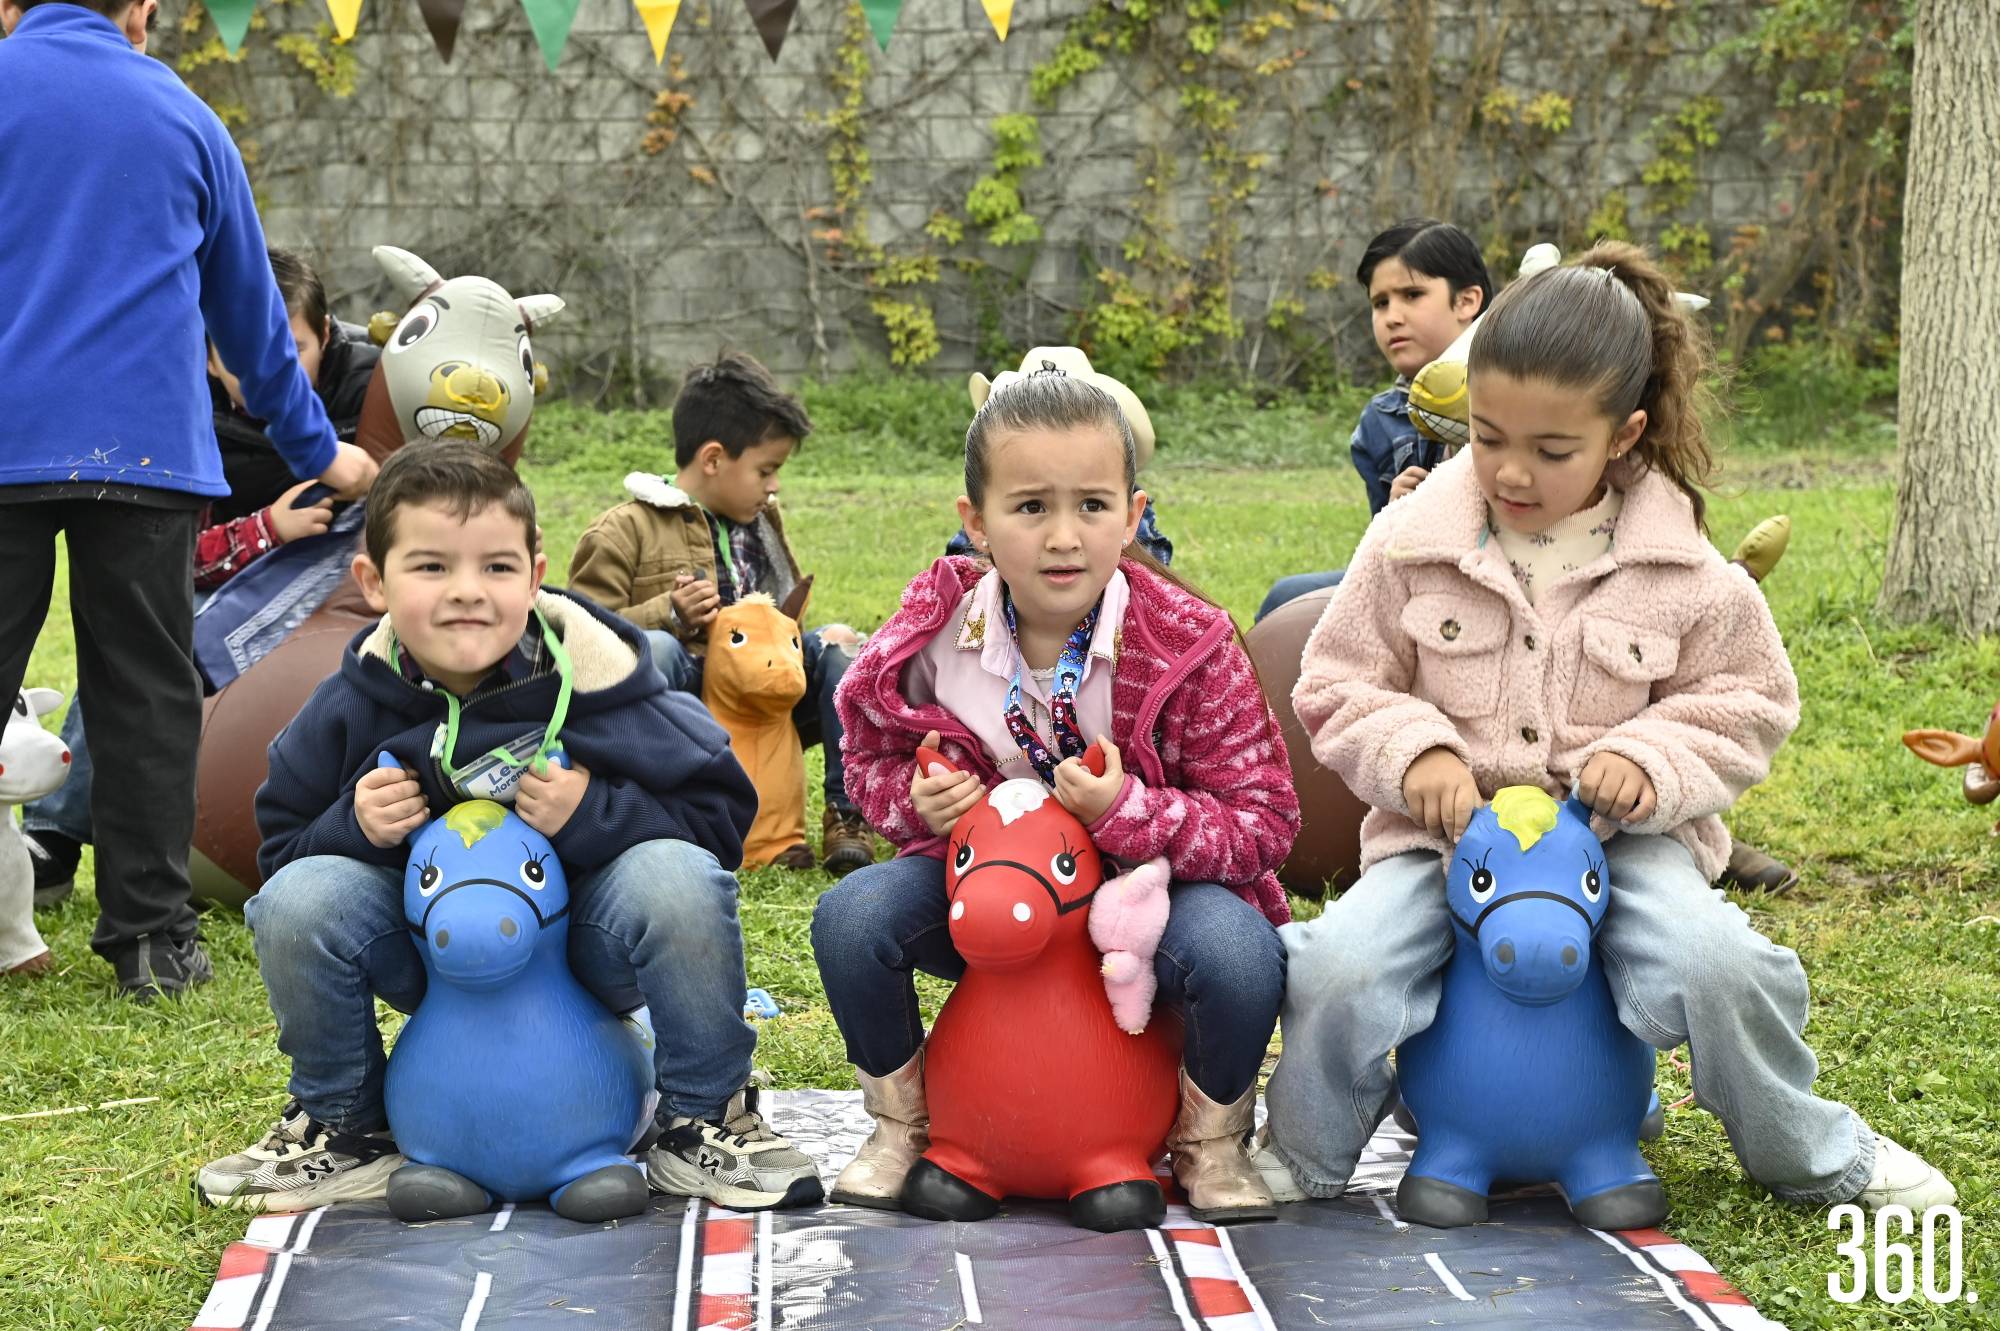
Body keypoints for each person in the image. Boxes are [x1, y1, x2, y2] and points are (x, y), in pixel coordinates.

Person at [1259, 242, 1955, 1215]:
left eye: (1550, 451)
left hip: (1620, 847)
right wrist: (1411, 747)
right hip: (1438, 842)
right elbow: (1335, 678)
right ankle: (1304, 1147)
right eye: (1487, 436)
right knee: (1336, 962)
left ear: (1621, 434)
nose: (1508, 471)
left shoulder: (1681, 566)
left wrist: (1649, 756)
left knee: (1717, 963)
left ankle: (1809, 1152)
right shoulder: (1408, 541)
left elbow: (1749, 700)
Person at [194, 444, 823, 1213]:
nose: (467, 593)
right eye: (430, 567)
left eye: (496, 567)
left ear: (534, 574)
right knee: (299, 901)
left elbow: (719, 817)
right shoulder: (352, 702)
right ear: (372, 582)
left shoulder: (601, 680)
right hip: (439, 956)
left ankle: (702, 1114)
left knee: (676, 878)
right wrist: (355, 825)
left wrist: (594, 812)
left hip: (589, 947)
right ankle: (346, 1127)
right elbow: (282, 854)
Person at [815, 367, 1300, 1223]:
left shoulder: (1192, 642)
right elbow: (867, 754)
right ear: (976, 520)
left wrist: (1128, 814)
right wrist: (914, 800)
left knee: (1238, 954)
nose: (1064, 537)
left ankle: (1206, 1139)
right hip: (990, 903)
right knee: (853, 919)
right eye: (1031, 506)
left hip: (1146, 901)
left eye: (1093, 505)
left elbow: (1266, 821)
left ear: (1135, 511)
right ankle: (908, 1125)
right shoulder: (935, 633)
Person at [0, 0, 375, 998]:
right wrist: (318, 449)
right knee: (145, 692)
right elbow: (252, 320)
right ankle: (150, 941)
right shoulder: (186, 117)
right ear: (142, 11)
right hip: (148, 451)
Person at [22, 247, 381, 909]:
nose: (266, 375)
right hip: (227, 582)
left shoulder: (369, 393)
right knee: (141, 635)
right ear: (211, 355)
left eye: (290, 350)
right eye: (239, 356)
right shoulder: (179, 410)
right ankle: (55, 830)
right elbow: (171, 553)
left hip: (338, 598)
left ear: (326, 339)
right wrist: (268, 528)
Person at [567, 353, 874, 876]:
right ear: (713, 459)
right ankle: (634, 817)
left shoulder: (760, 522)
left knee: (844, 645)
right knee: (658, 650)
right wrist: (667, 612)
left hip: (763, 702)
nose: (774, 486)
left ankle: (848, 815)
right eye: (766, 470)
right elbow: (579, 633)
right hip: (689, 704)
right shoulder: (625, 528)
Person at [1255, 220, 1491, 623]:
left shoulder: (1520, 392)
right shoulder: (1379, 422)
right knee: (1287, 598)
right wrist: (1395, 512)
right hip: (1412, 579)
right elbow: (1378, 559)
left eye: (1412, 295)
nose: (1391, 317)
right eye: (1380, 303)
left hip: (1497, 574)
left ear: (1467, 301)